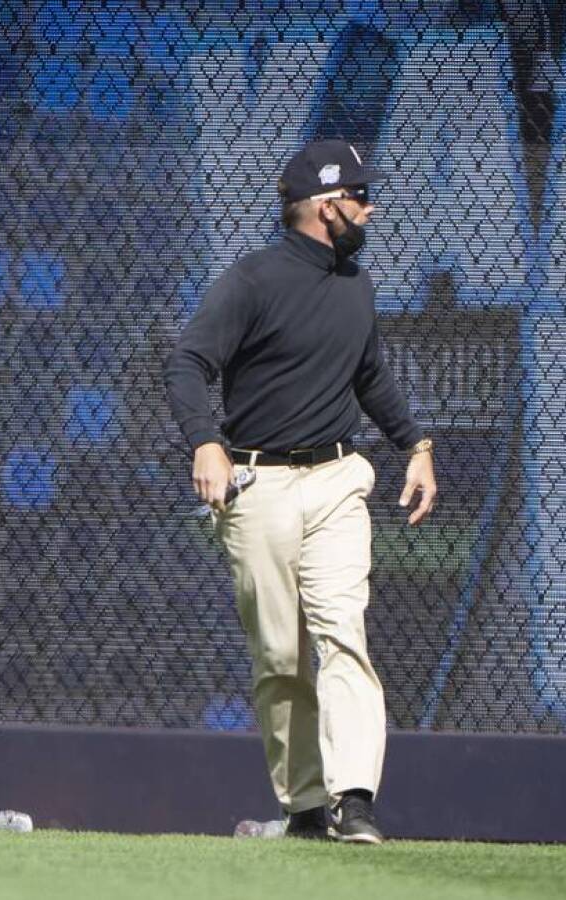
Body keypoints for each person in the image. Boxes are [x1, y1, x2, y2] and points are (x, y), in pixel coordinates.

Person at [164, 139, 438, 844]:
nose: (368, 208)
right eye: (356, 196)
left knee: (344, 635)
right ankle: (307, 807)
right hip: (259, 487)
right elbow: (189, 363)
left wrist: (417, 446)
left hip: (339, 479)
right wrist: (205, 441)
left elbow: (369, 374)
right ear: (323, 207)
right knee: (280, 659)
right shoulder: (253, 281)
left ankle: (355, 800)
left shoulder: (357, 286)